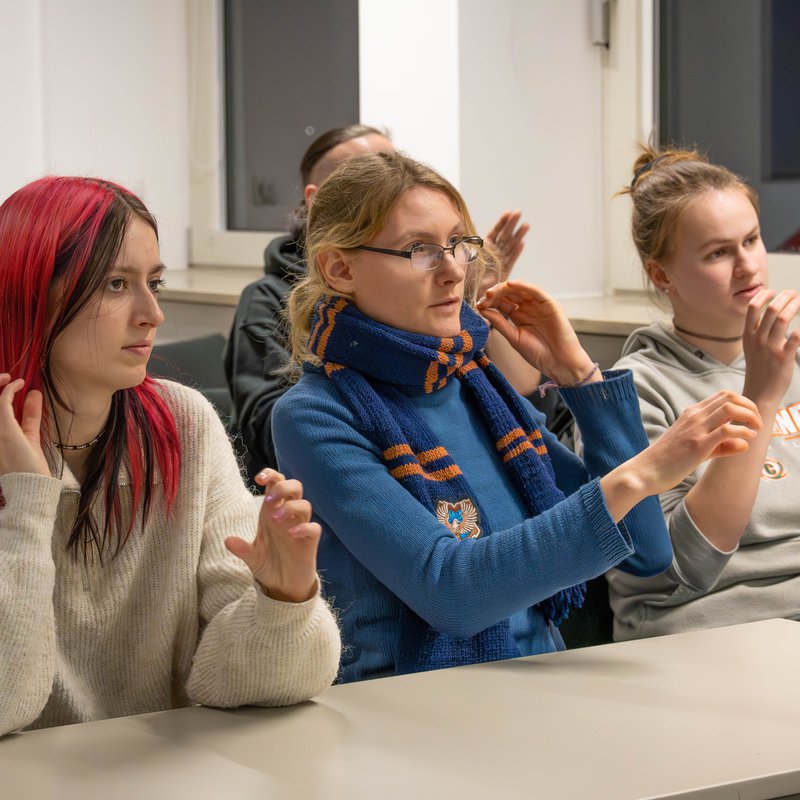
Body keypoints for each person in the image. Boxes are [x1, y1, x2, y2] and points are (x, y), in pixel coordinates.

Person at [271, 150, 761, 683]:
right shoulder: (315, 415)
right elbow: (453, 592)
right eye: (420, 250)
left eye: (459, 243)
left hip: (535, 683)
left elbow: (645, 551)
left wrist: (579, 377)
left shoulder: (476, 382)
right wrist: (643, 472)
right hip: (410, 702)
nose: (455, 270)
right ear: (341, 268)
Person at [0, 176, 340, 736]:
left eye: (154, 282)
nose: (152, 313)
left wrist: (283, 599)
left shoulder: (182, 425)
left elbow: (239, 682)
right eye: (115, 284)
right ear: (34, 293)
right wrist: (28, 503)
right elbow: (7, 702)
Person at [224, 125, 531, 483]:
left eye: (392, 163)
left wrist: (472, 302)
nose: (389, 181)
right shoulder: (272, 308)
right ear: (319, 200)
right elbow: (269, 437)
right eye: (364, 172)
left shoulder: (446, 325)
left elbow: (528, 405)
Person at [609, 144, 800, 640]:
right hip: (715, 628)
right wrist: (760, 396)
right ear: (661, 274)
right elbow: (686, 566)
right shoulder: (635, 391)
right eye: (718, 252)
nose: (748, 266)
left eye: (753, 240)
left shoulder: (791, 358)